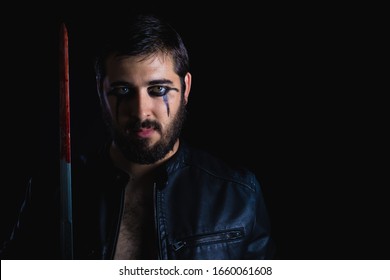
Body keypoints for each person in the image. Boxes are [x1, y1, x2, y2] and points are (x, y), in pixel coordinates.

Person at [1, 13, 274, 260]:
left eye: (158, 90)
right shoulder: (54, 188)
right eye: (122, 91)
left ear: (186, 87)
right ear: (100, 91)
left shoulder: (238, 192)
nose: (141, 111)